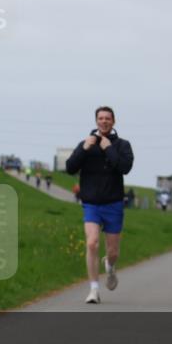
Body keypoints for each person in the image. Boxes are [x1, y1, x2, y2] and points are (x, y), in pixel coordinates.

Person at [65, 106, 134, 304]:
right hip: (91, 203)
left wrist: (108, 148)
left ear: (113, 122)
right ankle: (94, 289)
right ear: (96, 121)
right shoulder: (86, 143)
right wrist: (84, 149)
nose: (104, 121)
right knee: (92, 243)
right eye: (101, 118)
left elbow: (125, 167)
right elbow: (70, 168)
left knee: (113, 252)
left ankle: (110, 267)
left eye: (107, 118)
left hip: (113, 203)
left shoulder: (122, 145)